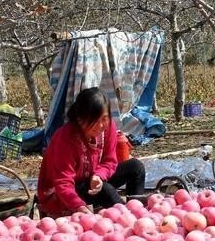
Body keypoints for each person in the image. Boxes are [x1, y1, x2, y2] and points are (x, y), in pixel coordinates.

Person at [37, 87, 145, 218]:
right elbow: (63, 183)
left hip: (91, 180)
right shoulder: (65, 138)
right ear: (80, 118)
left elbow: (109, 161)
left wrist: (99, 175)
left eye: (104, 119)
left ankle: (138, 211)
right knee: (105, 190)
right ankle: (128, 220)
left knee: (136, 167)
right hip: (63, 193)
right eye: (94, 120)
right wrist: (79, 207)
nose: (100, 126)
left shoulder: (108, 127)